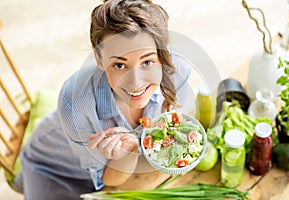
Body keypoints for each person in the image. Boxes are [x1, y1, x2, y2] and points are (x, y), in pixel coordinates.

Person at [14, 0, 193, 199]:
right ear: (99, 59)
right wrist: (130, 151)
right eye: (119, 65)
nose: (135, 83)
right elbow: (109, 181)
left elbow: (171, 117)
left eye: (148, 61)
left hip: (117, 169)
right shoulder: (76, 106)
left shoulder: (180, 72)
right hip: (54, 168)